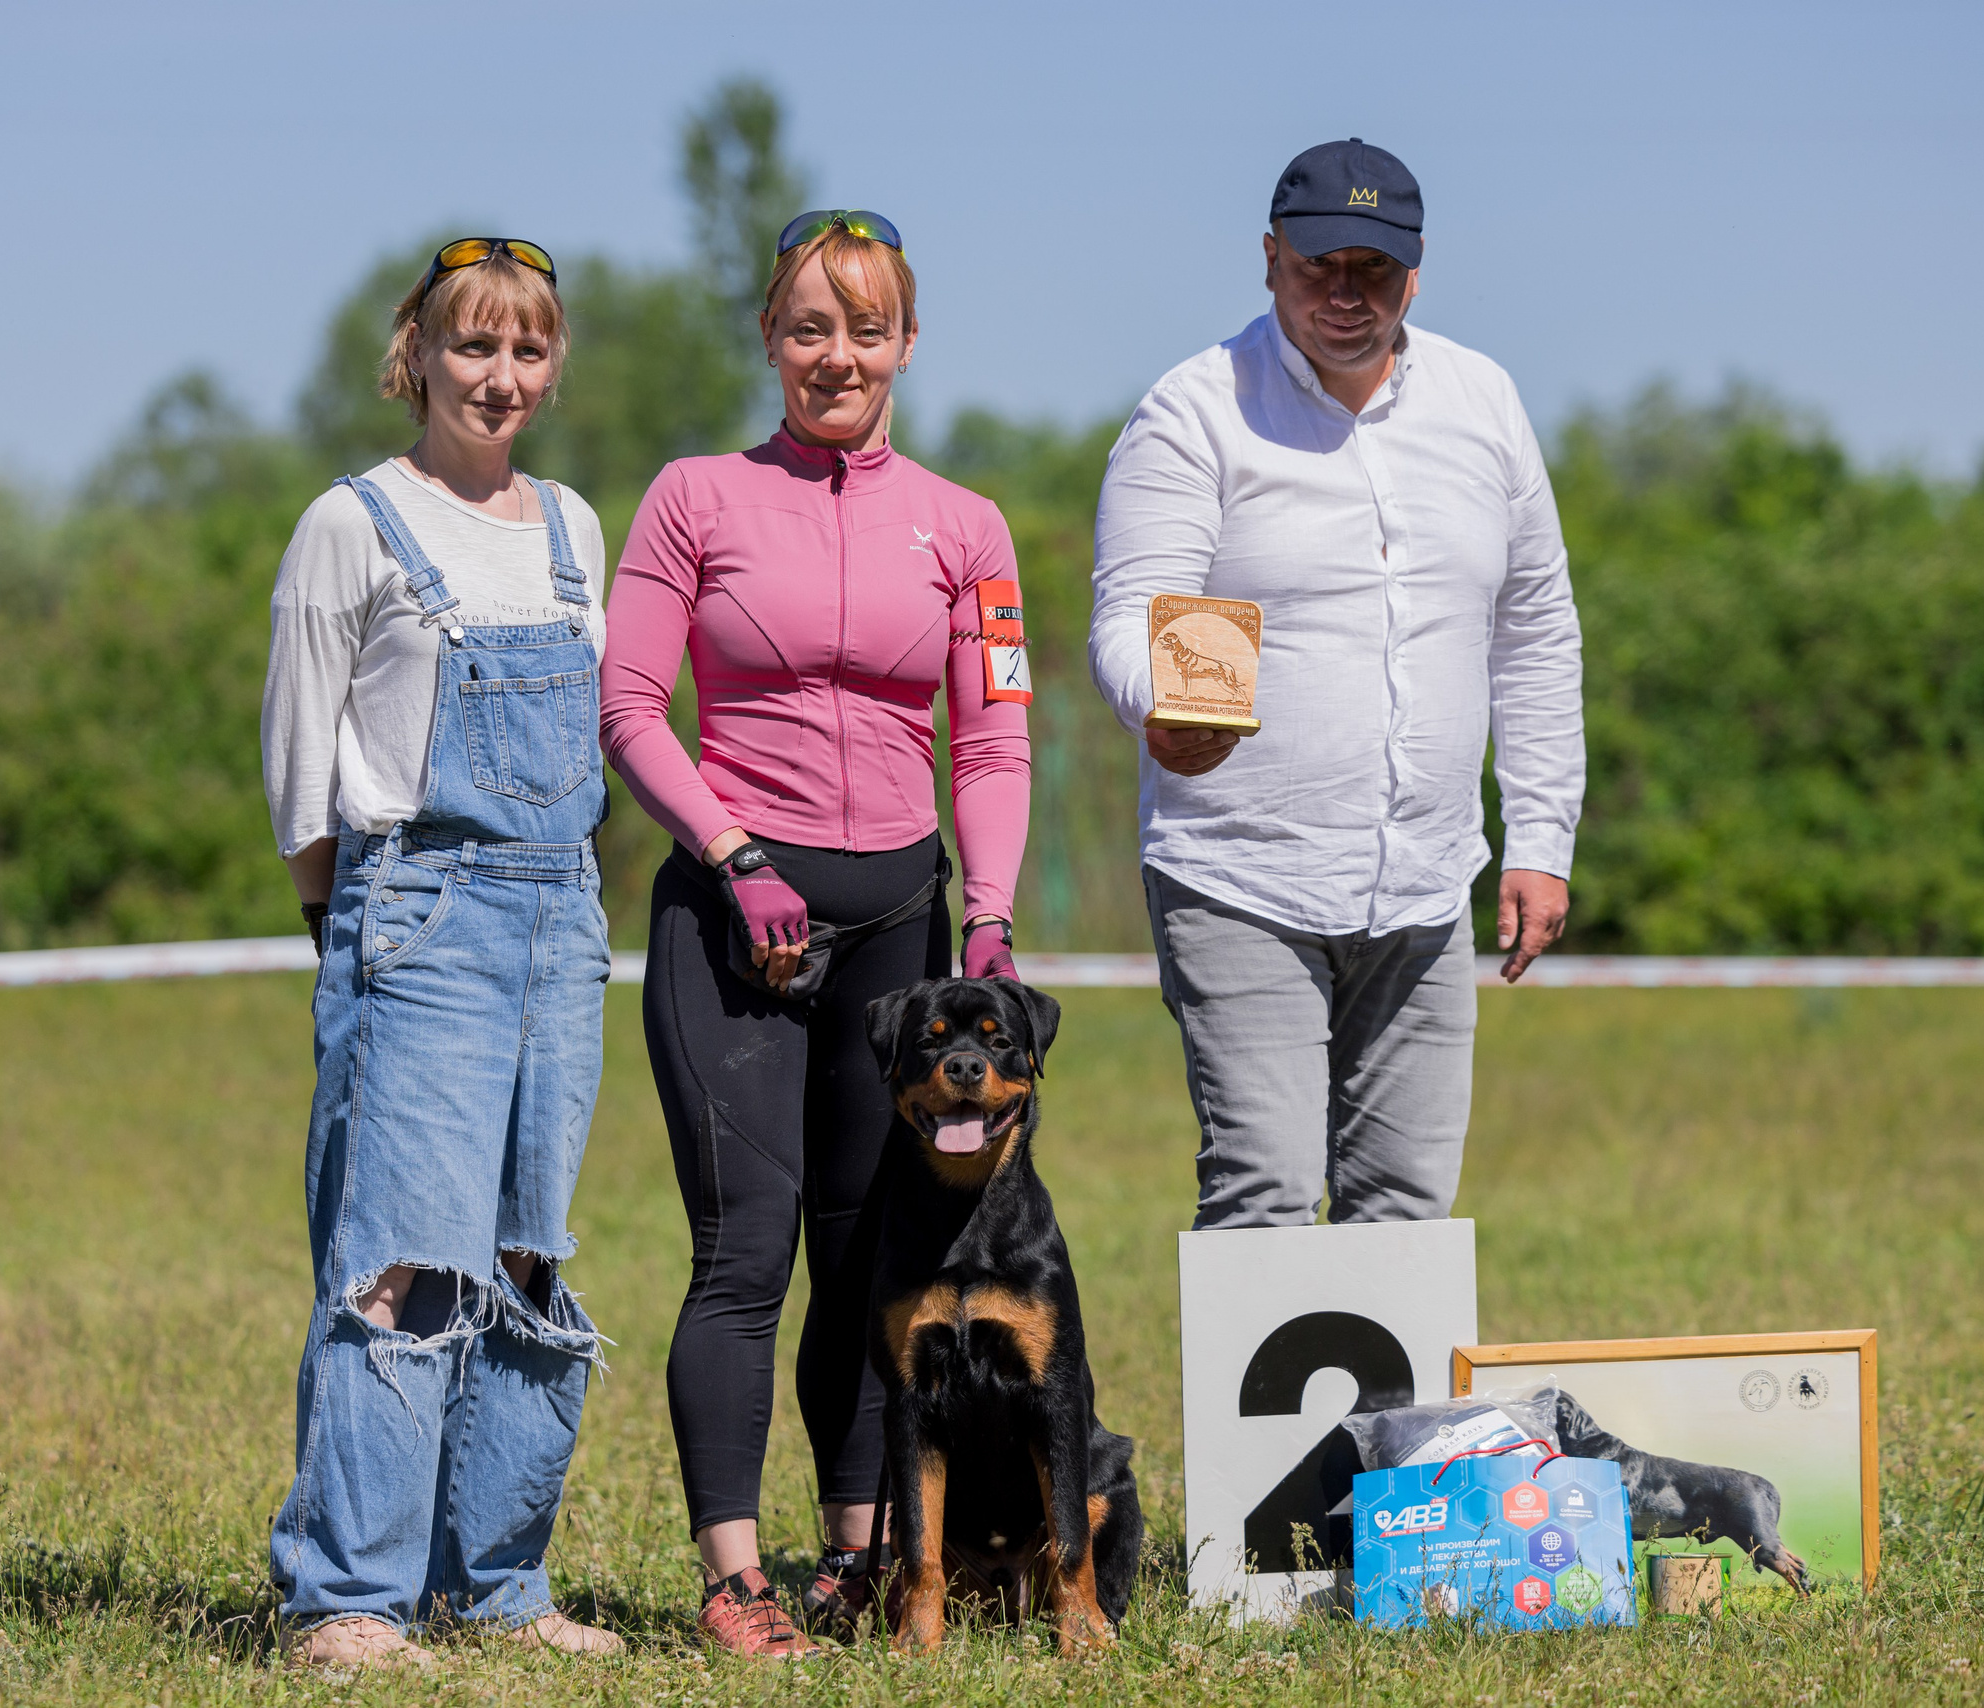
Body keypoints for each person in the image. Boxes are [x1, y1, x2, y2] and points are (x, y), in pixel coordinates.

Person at [600, 209, 1031, 1656]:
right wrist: (734, 854)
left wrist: (993, 917)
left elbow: (993, 745)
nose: (834, 354)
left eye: (865, 327)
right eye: (807, 325)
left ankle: (858, 1559)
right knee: (747, 1254)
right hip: (733, 917)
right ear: (769, 337)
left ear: (909, 341)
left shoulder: (967, 527)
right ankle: (735, 1582)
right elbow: (627, 710)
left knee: (872, 1258)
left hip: (901, 931)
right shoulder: (694, 498)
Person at [1088, 139, 1585, 1233]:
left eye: (1375, 267)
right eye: (1320, 266)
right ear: (1269, 259)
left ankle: (1385, 1419)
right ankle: (1260, 1419)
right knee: (1263, 1190)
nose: (1347, 293)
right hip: (1238, 875)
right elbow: (1132, 611)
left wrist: (1540, 835)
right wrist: (1158, 707)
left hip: (1424, 876)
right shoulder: (1193, 411)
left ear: (1417, 270)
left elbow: (1536, 628)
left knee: (1404, 1206)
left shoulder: (1484, 402)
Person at [258, 238, 622, 1670]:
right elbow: (302, 771)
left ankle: (500, 1590)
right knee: (399, 1264)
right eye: (474, 346)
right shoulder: (349, 525)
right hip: (415, 912)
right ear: (417, 351)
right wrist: (348, 942)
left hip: (561, 917)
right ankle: (346, 1597)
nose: (501, 376)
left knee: (527, 1258)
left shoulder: (575, 527)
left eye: (528, 349)